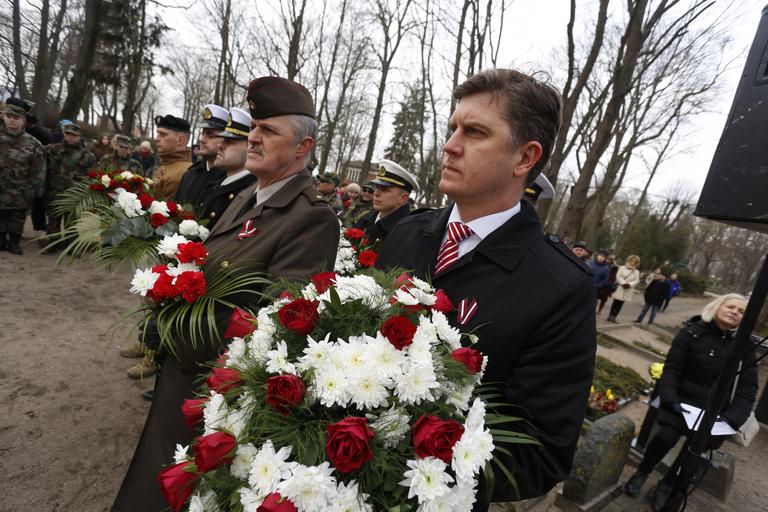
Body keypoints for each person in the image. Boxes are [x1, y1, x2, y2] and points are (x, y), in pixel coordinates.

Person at [112, 76, 339, 512]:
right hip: (183, 377)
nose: (253, 137)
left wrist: (175, 327)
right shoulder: (250, 193)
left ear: (302, 148)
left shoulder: (311, 218)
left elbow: (268, 328)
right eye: (254, 126)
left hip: (212, 396)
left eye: (269, 131)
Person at [375, 68, 596, 506]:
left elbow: (540, 454)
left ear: (524, 158)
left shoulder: (560, 287)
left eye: (474, 132)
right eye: (453, 127)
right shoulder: (406, 233)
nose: (450, 145)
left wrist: (390, 457)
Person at [623, 294, 757, 511]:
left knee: (692, 453)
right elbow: (672, 370)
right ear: (718, 306)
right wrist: (671, 400)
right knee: (665, 437)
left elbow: (747, 389)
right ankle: (643, 471)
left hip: (714, 412)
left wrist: (732, 418)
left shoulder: (745, 347)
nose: (735, 312)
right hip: (681, 402)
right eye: (730, 306)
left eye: (742, 311)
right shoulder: (692, 332)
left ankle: (666, 485)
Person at [195, 107, 257, 229]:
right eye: (222, 139)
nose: (220, 145)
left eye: (230, 141)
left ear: (249, 147)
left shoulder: (250, 191)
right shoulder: (217, 183)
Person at [0, 98, 46, 255]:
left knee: (17, 218)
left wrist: (33, 190)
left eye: (16, 118)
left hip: (20, 189)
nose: (12, 120)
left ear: (23, 120)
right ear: (4, 116)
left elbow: (39, 170)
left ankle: (14, 242)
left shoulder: (33, 144)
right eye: (9, 116)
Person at [42, 123, 96, 250]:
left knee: (72, 222)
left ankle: (71, 246)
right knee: (53, 221)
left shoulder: (88, 156)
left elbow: (92, 177)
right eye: (68, 134)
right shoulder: (52, 149)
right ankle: (52, 242)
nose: (70, 137)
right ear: (64, 134)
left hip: (74, 196)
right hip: (55, 192)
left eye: (74, 135)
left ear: (79, 137)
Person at [174, 104, 227, 207]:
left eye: (210, 135)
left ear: (226, 140)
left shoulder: (227, 178)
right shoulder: (190, 173)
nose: (202, 139)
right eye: (203, 133)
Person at [354, 160, 417, 244]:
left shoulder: (409, 233)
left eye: (384, 189)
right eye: (376, 187)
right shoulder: (365, 219)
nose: (376, 193)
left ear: (403, 198)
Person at [151, 114, 192, 200]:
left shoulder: (180, 173)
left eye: (163, 134)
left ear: (180, 140)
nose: (157, 139)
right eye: (157, 133)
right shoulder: (168, 164)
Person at [607, 254, 641, 322]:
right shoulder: (622, 268)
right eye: (632, 261)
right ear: (629, 260)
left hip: (628, 289)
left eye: (635, 262)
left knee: (621, 303)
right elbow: (618, 276)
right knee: (615, 302)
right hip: (621, 287)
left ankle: (614, 316)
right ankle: (610, 316)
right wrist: (623, 283)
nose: (633, 262)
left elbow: (637, 280)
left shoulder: (637, 272)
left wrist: (629, 284)